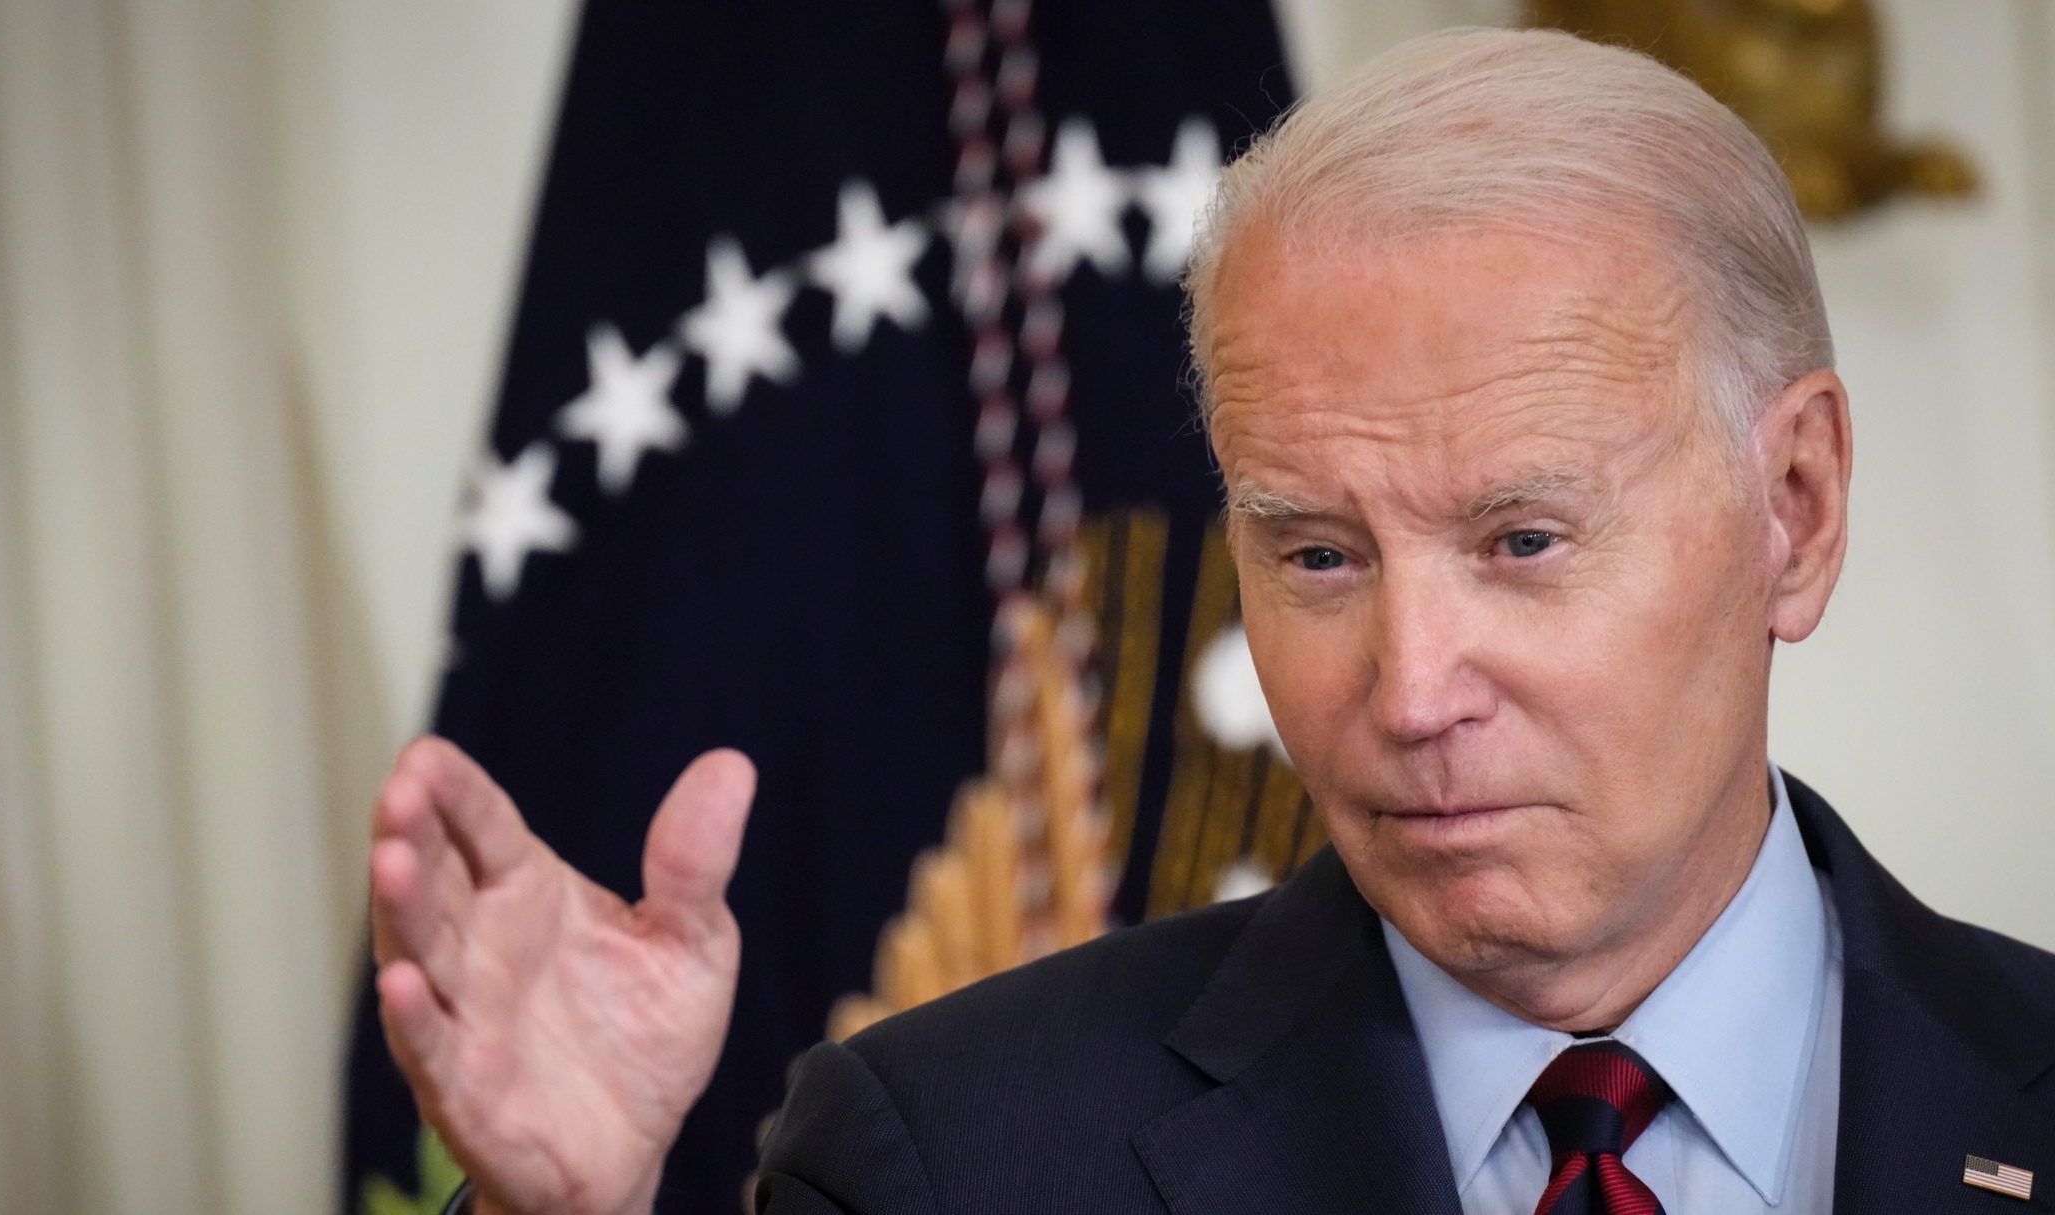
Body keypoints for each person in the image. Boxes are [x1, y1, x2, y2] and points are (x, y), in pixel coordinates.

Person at [367, 27, 2055, 1215]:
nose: (1408, 690)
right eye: (1317, 557)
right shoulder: (943, 1162)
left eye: (1523, 538)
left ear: (1799, 510)